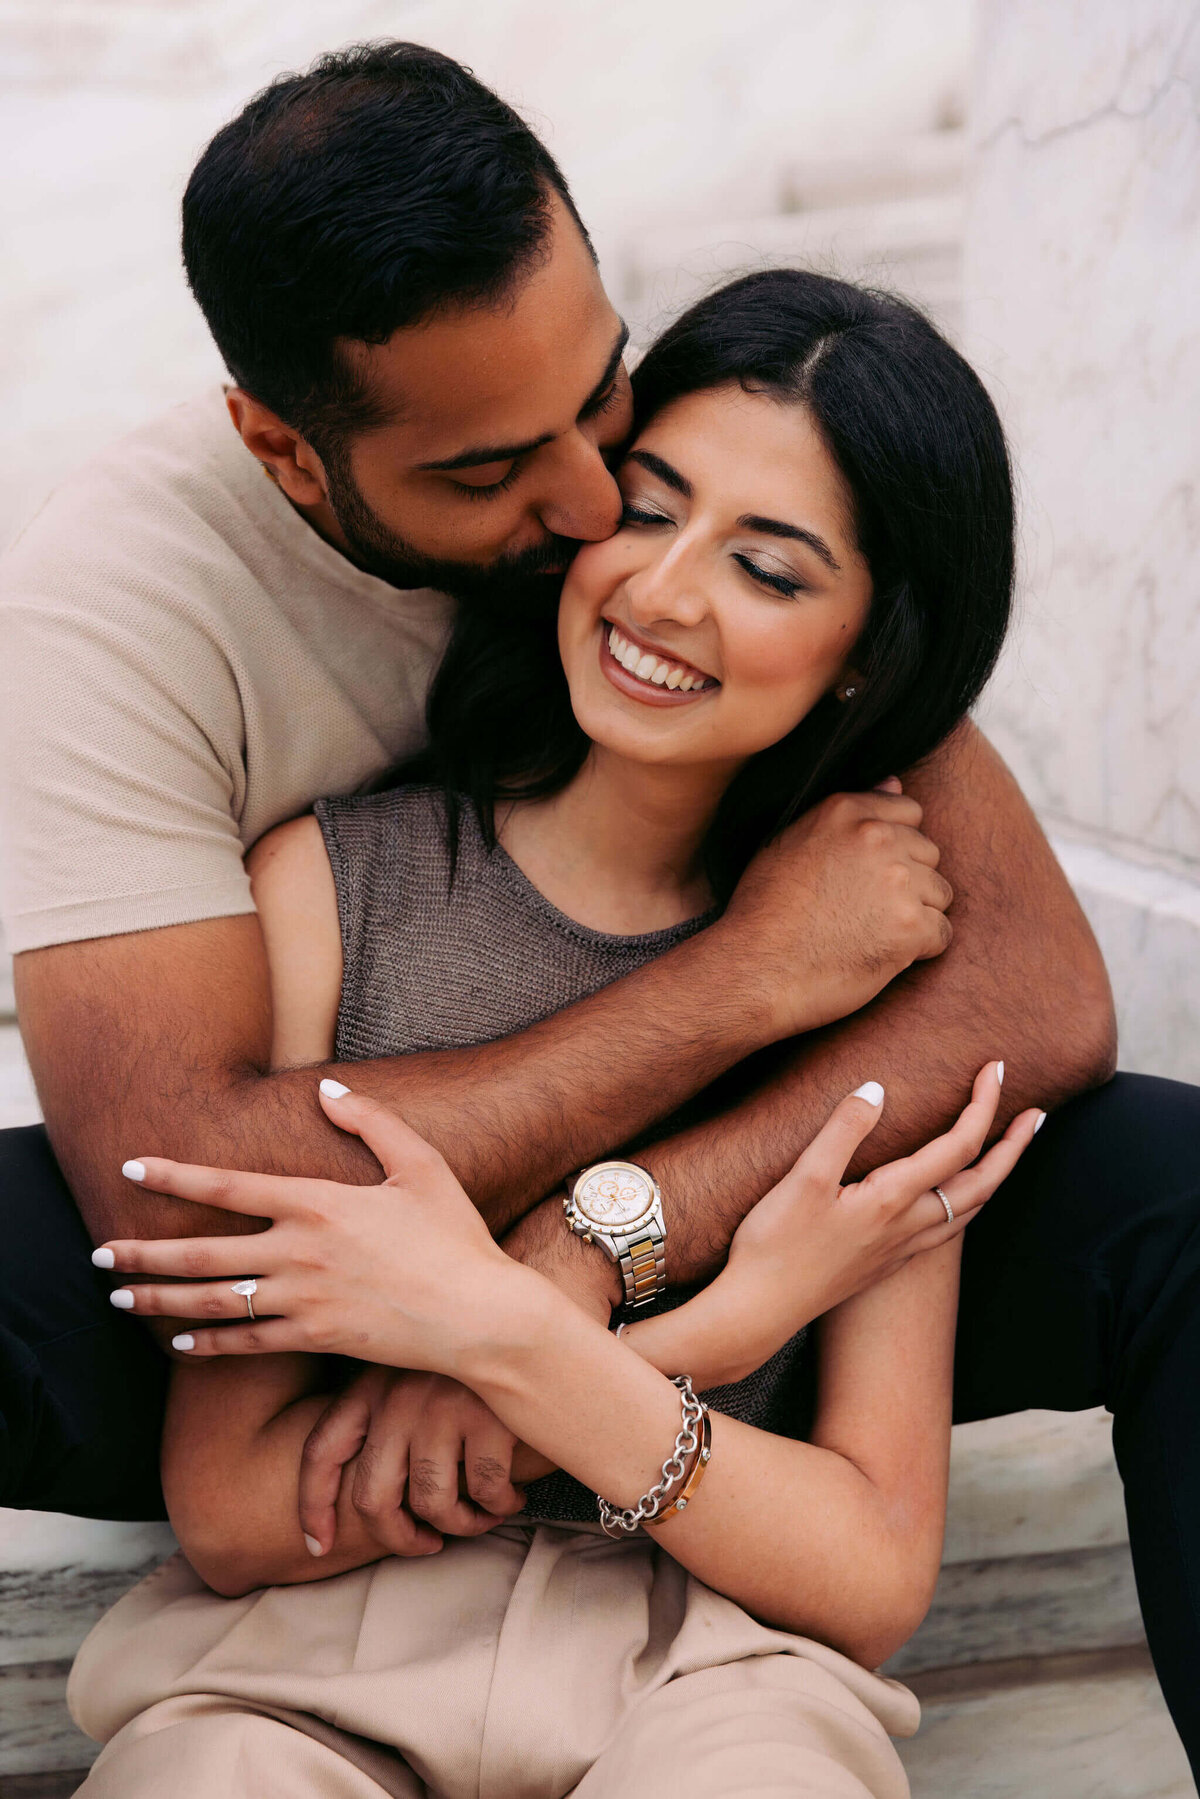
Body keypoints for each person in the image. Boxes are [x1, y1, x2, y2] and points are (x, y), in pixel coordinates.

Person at [0, 40, 1196, 1768]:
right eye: (498, 473)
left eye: (605, 392)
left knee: (1173, 1184)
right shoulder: (125, 619)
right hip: (313, 1265)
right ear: (289, 449)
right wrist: (741, 986)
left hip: (706, 1363)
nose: (585, 511)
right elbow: (199, 1199)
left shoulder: (674, 491)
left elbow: (1030, 993)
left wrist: (578, 1271)